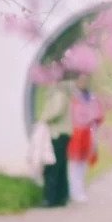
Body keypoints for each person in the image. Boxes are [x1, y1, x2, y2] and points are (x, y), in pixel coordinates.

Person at [66, 74, 103, 204]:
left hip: (88, 133)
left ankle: (79, 190)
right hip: (76, 133)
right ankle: (74, 191)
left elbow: (98, 115)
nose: (82, 83)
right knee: (74, 164)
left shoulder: (91, 97)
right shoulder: (72, 97)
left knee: (83, 163)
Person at [39, 78, 71, 207]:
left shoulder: (58, 93)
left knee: (53, 167)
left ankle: (51, 198)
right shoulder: (61, 92)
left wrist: (43, 119)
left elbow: (56, 110)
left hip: (57, 133)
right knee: (60, 166)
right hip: (61, 133)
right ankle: (61, 197)